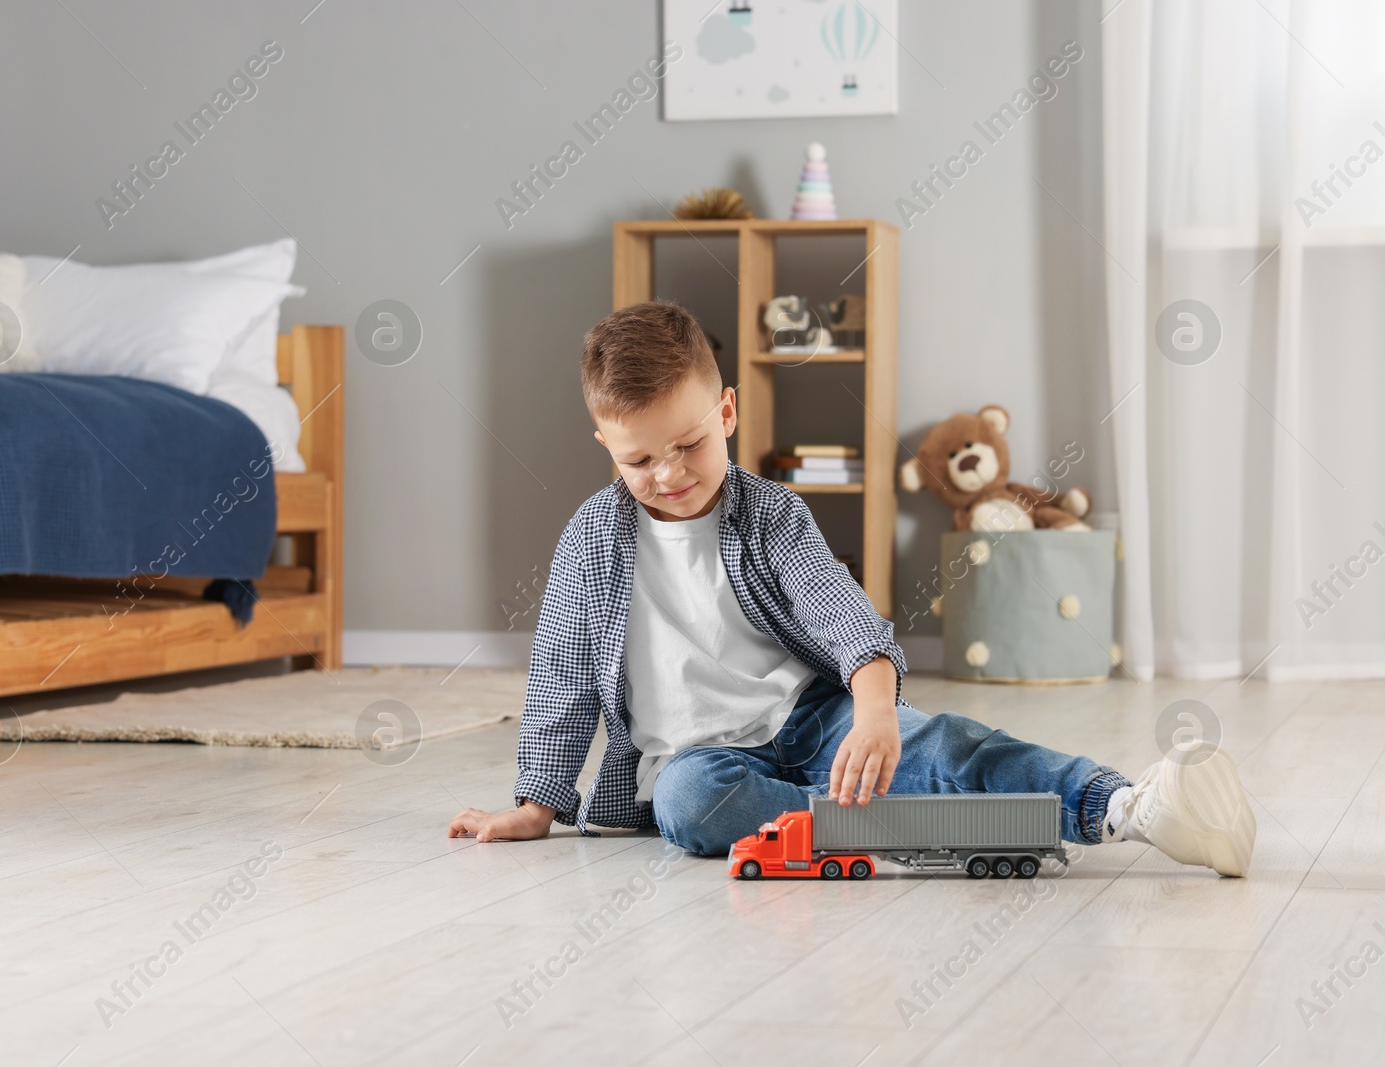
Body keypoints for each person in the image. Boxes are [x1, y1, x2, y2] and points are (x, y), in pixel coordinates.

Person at [447, 301, 1256, 876]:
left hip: (812, 718)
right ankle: (875, 817)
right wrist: (537, 803)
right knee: (690, 805)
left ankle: (1125, 804)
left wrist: (874, 710)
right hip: (706, 762)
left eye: (689, 444)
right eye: (639, 459)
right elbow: (559, 675)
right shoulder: (592, 540)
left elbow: (840, 613)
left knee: (944, 746)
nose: (668, 474)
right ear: (606, 446)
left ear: (725, 410)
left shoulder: (770, 515)